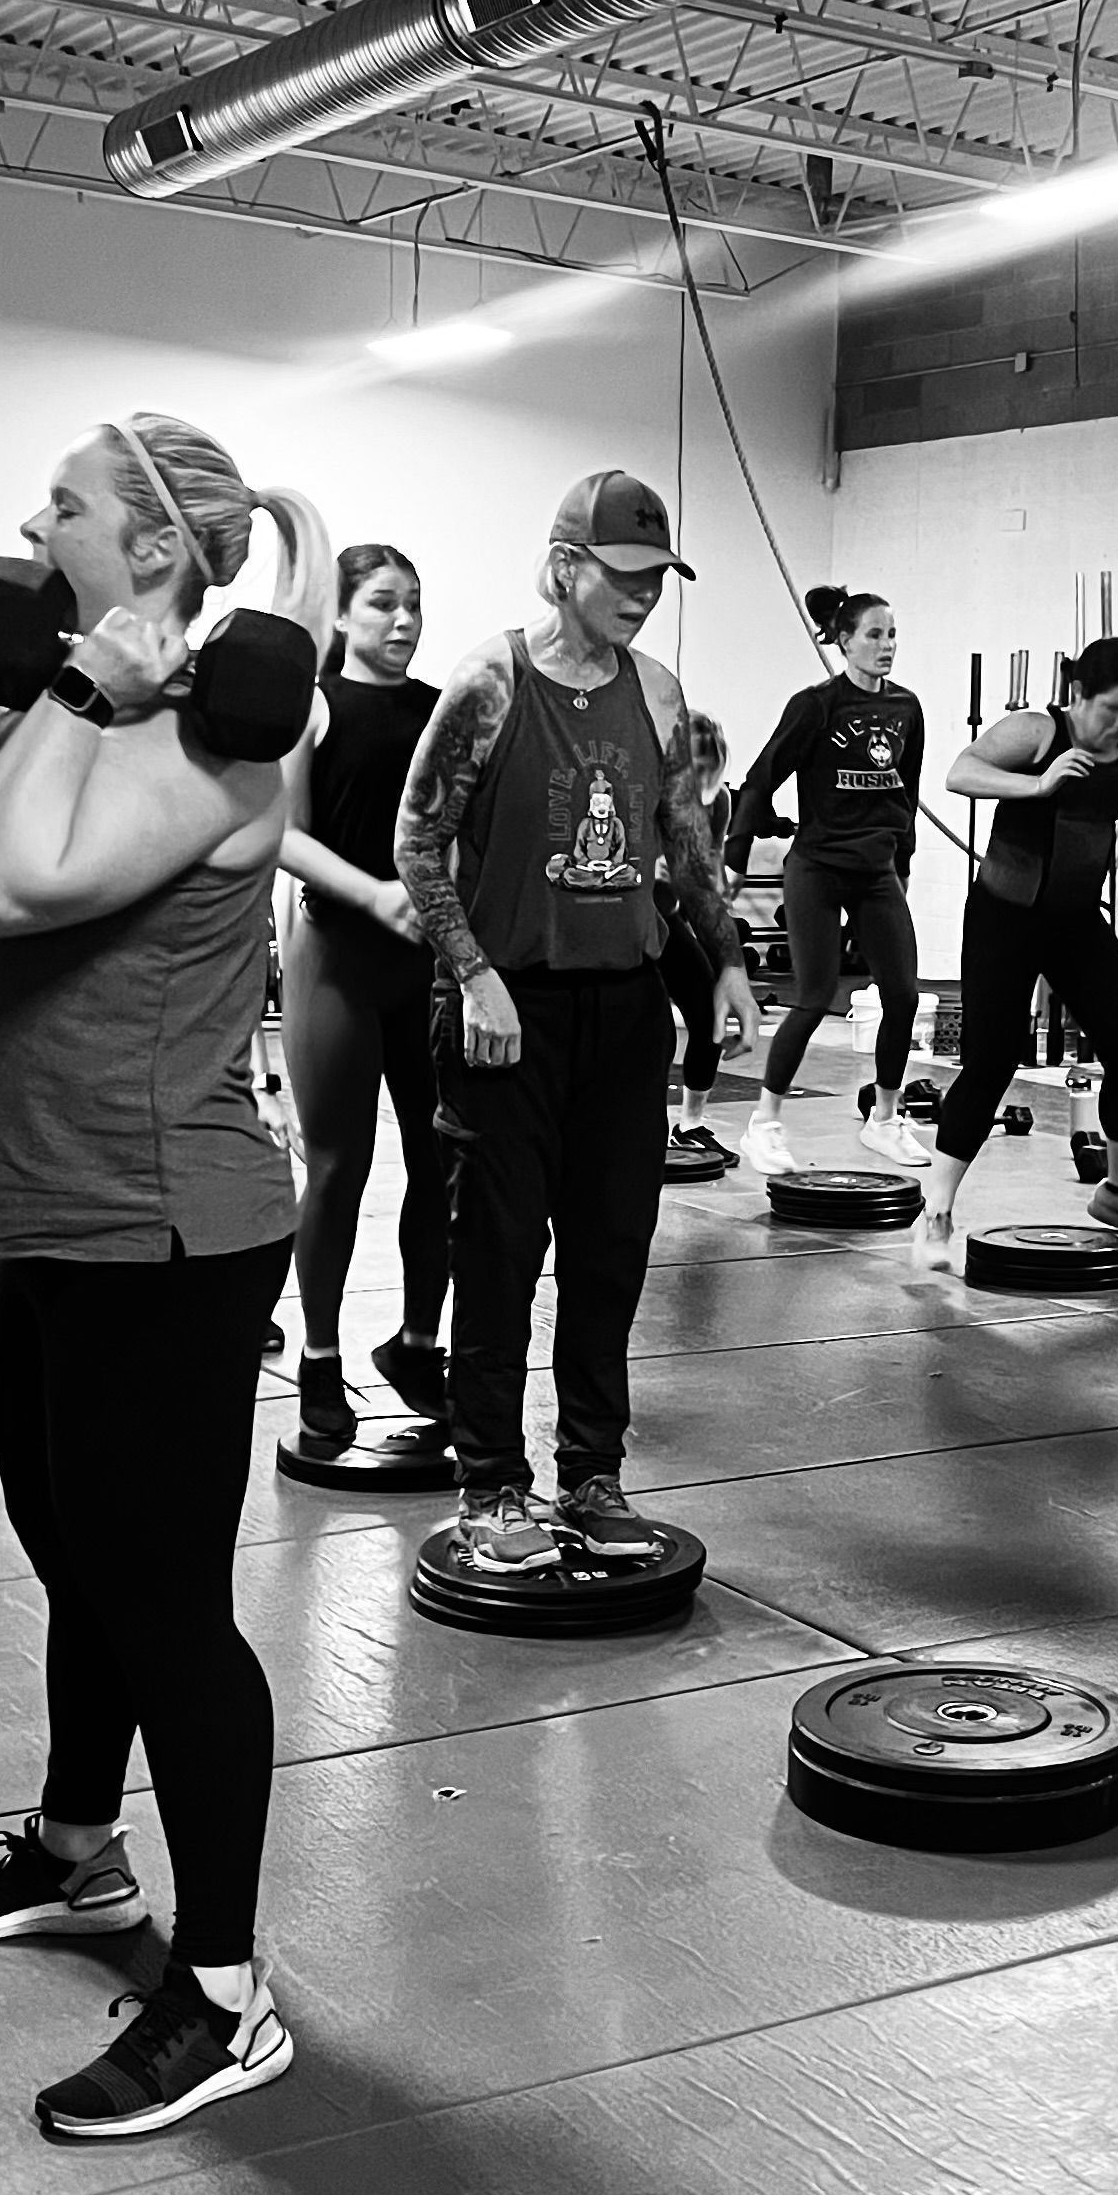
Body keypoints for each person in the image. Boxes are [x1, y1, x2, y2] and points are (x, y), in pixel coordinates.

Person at [0, 411, 331, 2136]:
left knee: (163, 1604)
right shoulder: (66, 721)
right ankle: (73, 1850)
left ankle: (226, 1988)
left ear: (155, 553)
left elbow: (5, 883)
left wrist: (64, 707)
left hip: (162, 1228)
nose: (30, 522)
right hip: (40, 1216)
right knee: (74, 1560)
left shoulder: (211, 743)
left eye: (64, 504)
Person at [393, 470, 759, 1575]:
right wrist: (474, 974)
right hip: (512, 1010)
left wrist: (729, 965)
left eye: (658, 576)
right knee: (499, 1253)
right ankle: (491, 1481)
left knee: (611, 1251)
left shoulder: (655, 691)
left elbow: (685, 842)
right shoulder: (490, 685)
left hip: (625, 1009)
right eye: (625, 573)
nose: (645, 594)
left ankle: (592, 1473)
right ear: (565, 567)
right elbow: (418, 842)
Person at [914, 635, 1118, 1267]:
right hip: (1006, 918)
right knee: (992, 1063)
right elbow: (959, 772)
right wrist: (1040, 782)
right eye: (1110, 708)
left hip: (1076, 921)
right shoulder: (1036, 731)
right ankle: (936, 1213)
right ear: (1078, 694)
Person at [278, 544, 449, 1441]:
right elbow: (285, 834)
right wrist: (376, 893)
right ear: (342, 614)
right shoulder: (312, 705)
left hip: (424, 965)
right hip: (336, 955)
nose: (404, 621)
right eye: (383, 604)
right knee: (339, 1167)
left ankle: (418, 1343)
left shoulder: (440, 712)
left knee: (440, 1158)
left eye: (414, 604)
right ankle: (318, 1360)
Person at [730, 586, 928, 1177]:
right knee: (814, 997)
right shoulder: (816, 705)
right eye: (874, 634)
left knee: (904, 997)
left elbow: (905, 794)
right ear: (843, 640)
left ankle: (885, 1119)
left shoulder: (906, 708)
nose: (886, 646)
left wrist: (903, 864)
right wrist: (735, 854)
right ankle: (763, 1125)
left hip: (875, 872)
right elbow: (763, 773)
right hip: (816, 868)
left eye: (891, 634)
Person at [659, 710, 740, 1165]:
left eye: (710, 767)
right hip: (633, 914)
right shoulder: (650, 794)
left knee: (711, 1013)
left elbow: (711, 866)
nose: (702, 776)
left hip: (675, 912)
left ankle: (689, 1126)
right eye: (695, 767)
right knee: (650, 1028)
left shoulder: (719, 800)